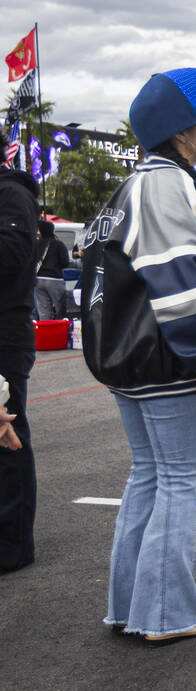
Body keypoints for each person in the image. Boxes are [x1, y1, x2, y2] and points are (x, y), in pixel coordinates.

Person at [79, 67, 196, 639]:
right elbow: (178, 284)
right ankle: (168, 614)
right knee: (176, 480)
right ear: (181, 132)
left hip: (130, 360)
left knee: (149, 477)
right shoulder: (165, 183)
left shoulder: (136, 184)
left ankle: (130, 607)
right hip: (163, 359)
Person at [0, 163, 38, 573]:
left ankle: (12, 545)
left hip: (5, 336)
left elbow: (10, 255)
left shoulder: (11, 194)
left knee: (6, 437)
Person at [33, 219, 71, 321]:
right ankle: (60, 332)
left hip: (39, 279)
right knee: (60, 309)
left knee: (44, 311)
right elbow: (65, 262)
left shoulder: (36, 244)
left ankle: (46, 333)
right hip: (55, 279)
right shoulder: (58, 244)